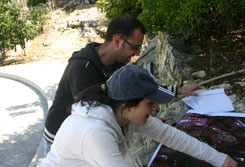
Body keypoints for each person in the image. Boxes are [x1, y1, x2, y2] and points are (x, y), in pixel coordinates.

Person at [26, 65, 239, 167]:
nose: (155, 108)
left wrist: (217, 158)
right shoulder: (94, 133)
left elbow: (169, 135)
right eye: (150, 103)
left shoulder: (123, 114)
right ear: (128, 106)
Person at [43, 14, 202, 154]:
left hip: (86, 135)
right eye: (135, 47)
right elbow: (95, 113)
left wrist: (180, 90)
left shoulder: (117, 63)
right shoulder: (81, 68)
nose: (138, 54)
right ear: (118, 40)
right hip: (60, 138)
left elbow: (142, 87)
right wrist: (145, 120)